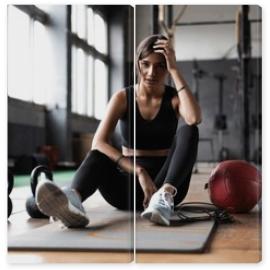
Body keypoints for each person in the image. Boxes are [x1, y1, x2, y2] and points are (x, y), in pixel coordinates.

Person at [35, 34, 201, 228]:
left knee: (189, 131)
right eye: (145, 64)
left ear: (167, 68)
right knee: (99, 152)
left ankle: (163, 198)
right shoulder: (123, 97)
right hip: (125, 188)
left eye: (160, 66)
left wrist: (174, 70)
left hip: (167, 186)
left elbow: (194, 118)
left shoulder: (173, 99)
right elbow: (98, 141)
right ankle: (73, 200)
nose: (151, 72)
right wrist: (140, 172)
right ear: (138, 63)